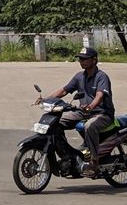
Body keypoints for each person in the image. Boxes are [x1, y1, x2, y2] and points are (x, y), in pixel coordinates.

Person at [43, 48, 114, 178]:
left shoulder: (101, 76)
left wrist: (91, 106)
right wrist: (46, 100)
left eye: (85, 59)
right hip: (83, 112)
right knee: (55, 123)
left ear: (94, 60)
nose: (82, 61)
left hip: (102, 114)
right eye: (80, 59)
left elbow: (100, 95)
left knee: (89, 126)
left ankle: (94, 162)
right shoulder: (79, 76)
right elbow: (64, 90)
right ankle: (67, 155)